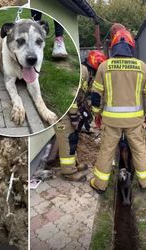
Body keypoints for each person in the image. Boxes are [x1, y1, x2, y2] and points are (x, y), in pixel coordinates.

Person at [89, 27, 146, 193]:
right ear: (131, 47)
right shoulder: (141, 66)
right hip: (135, 121)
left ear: (113, 47)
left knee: (106, 151)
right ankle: (145, 182)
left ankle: (100, 184)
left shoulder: (104, 67)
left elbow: (96, 96)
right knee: (139, 150)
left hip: (111, 121)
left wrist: (96, 115)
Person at [54, 50, 107, 181]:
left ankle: (74, 165)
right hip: (63, 112)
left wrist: (86, 112)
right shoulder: (82, 72)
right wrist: (73, 116)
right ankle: (69, 172)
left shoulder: (88, 74)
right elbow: (73, 94)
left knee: (73, 137)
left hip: (68, 110)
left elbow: (84, 97)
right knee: (67, 139)